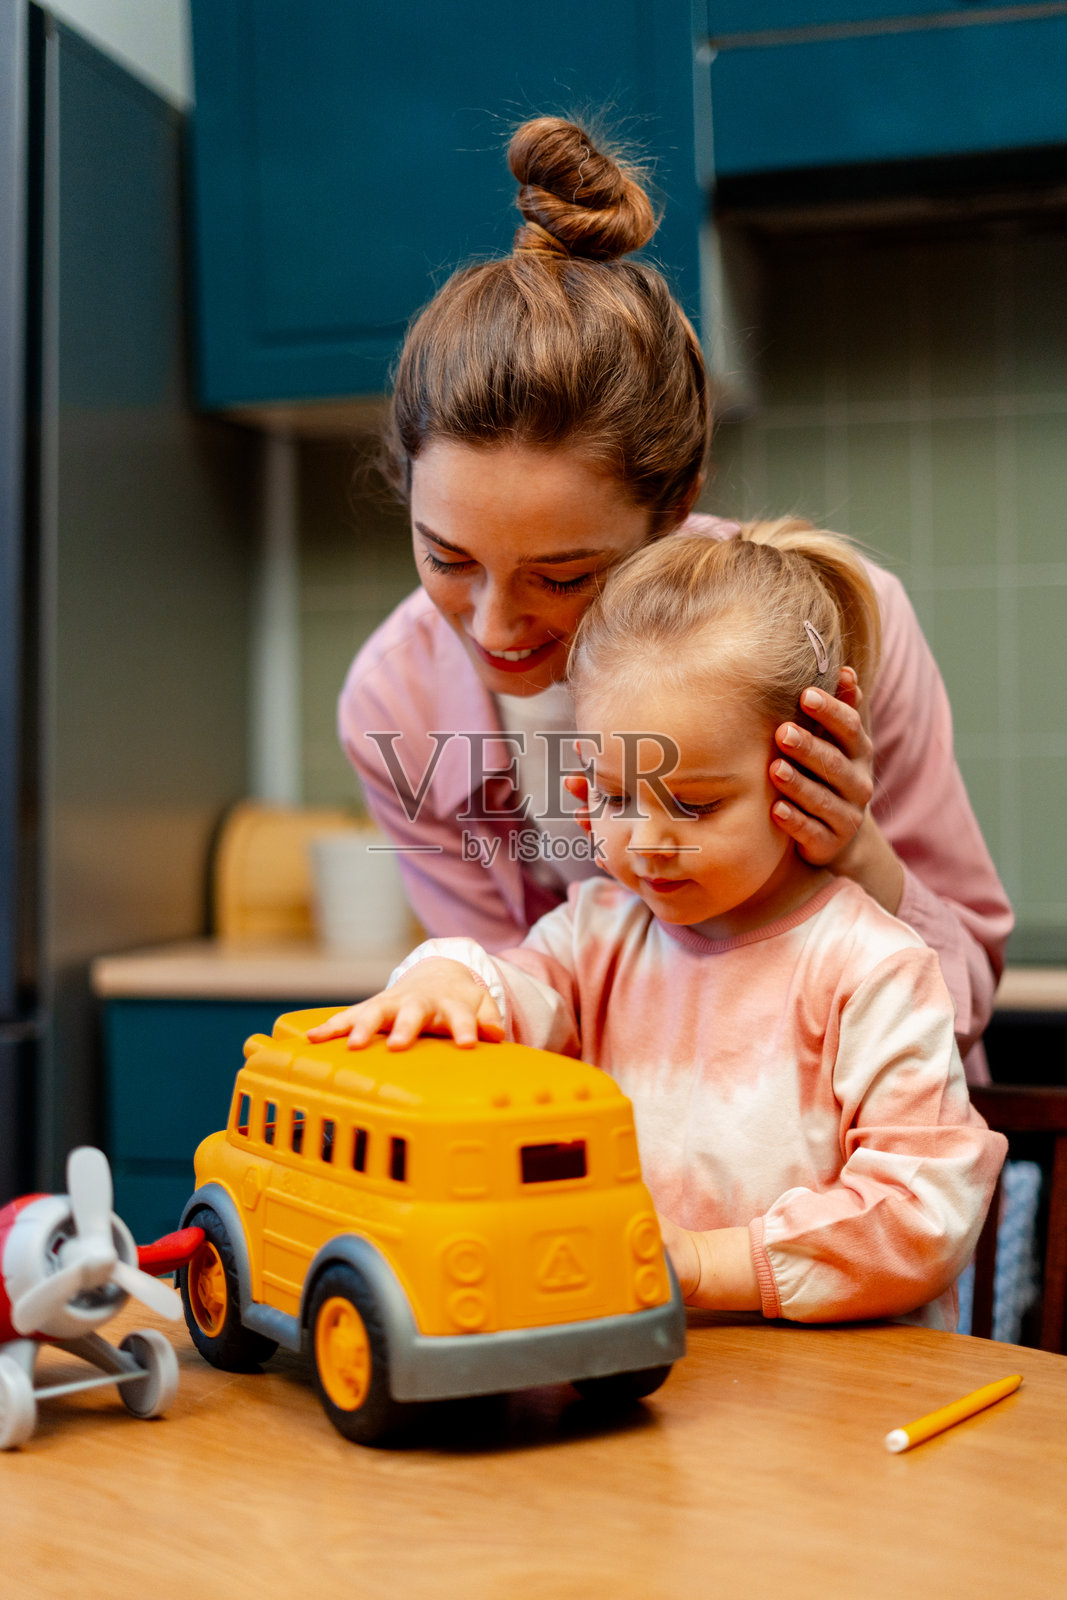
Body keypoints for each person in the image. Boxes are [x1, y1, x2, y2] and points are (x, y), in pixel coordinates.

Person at [339, 115, 1012, 1081]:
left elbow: (963, 1001)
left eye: (564, 576)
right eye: (446, 557)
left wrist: (854, 855)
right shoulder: (393, 705)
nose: (494, 629)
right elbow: (515, 1010)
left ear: (676, 507)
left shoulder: (835, 624)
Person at [313, 527, 1007, 1326]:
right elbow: (512, 989)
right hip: (656, 1366)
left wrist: (711, 1264)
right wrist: (447, 979)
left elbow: (922, 1212)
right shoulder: (597, 935)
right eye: (613, 797)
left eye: (693, 804)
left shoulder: (873, 967)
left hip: (840, 1393)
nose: (645, 841)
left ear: (805, 773)